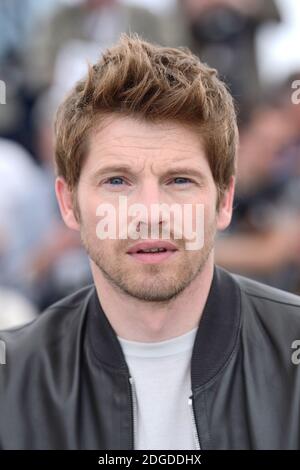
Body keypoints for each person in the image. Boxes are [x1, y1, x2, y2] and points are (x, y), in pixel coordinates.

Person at [0, 34, 300, 450]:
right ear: (68, 204)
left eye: (179, 180)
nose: (149, 212)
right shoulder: (11, 381)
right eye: (117, 181)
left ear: (224, 201)